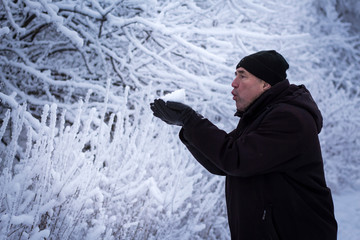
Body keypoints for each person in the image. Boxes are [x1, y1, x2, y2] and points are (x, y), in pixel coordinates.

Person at [150, 50, 337, 240]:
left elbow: (235, 159)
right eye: (235, 75)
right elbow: (219, 163)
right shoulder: (262, 116)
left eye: (242, 75)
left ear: (265, 83)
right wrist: (187, 125)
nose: (234, 83)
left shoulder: (289, 118)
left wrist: (191, 120)